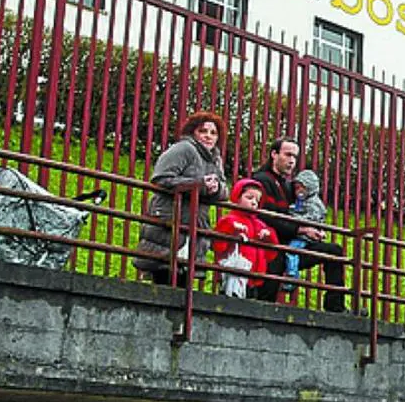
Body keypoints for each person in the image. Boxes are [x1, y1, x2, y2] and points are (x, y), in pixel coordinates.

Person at [251, 138, 348, 313]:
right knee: (274, 266)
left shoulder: (290, 186)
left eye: (294, 156)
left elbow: (305, 210)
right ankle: (262, 311)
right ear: (274, 154)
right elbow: (266, 215)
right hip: (270, 244)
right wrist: (301, 229)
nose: (292, 161)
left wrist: (315, 228)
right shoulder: (261, 180)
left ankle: (335, 308)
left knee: (334, 251)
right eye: (288, 155)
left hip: (293, 243)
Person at [133, 111, 228, 286]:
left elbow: (225, 191)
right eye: (203, 131)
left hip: (194, 227)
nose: (208, 136)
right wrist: (198, 184)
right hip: (169, 221)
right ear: (193, 132)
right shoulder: (183, 149)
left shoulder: (215, 159)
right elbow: (161, 178)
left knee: (183, 283)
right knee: (163, 276)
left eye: (213, 133)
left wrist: (215, 189)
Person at [212, 179, 278, 297]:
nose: (254, 203)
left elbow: (271, 254)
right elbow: (218, 246)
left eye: (257, 200)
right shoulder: (229, 220)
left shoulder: (260, 225)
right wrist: (231, 230)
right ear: (237, 197)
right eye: (249, 198)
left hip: (255, 279)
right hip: (233, 275)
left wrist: (269, 236)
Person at [282, 169, 328, 291]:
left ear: (310, 187)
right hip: (303, 234)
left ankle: (292, 276)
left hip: (308, 235)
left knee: (291, 251)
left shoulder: (314, 203)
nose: (299, 192)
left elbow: (311, 218)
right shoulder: (302, 201)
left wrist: (294, 215)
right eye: (296, 188)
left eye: (302, 188)